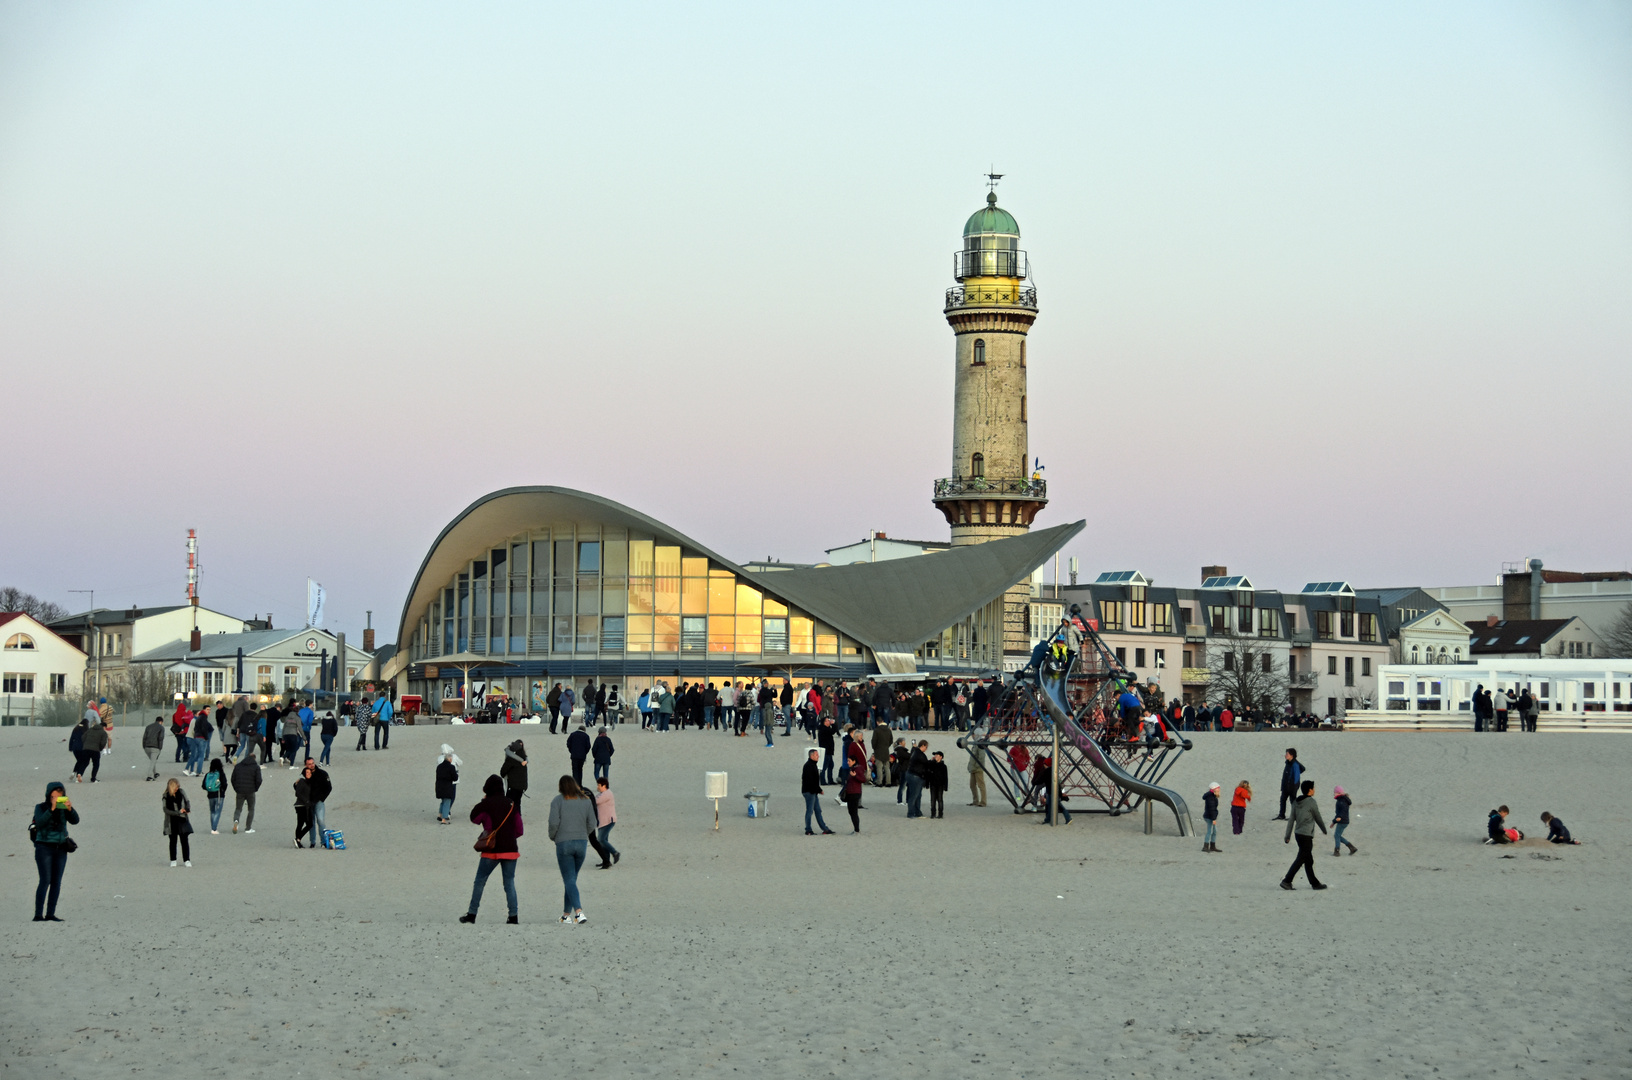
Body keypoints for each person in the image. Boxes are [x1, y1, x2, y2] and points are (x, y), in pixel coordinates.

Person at [460, 775, 522, 924]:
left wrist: (484, 802)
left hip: (491, 849)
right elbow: (519, 830)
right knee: (509, 883)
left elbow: (474, 818)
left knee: (480, 881)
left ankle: (472, 914)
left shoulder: (486, 804)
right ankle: (513, 917)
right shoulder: (512, 804)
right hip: (510, 849)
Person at [547, 774, 598, 924]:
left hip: (563, 843)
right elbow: (592, 822)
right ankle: (565, 916)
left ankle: (579, 912)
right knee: (571, 880)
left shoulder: (557, 801)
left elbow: (553, 823)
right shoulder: (586, 801)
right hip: (581, 843)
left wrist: (553, 837)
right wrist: (584, 834)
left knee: (569, 879)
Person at [32, 781, 77, 922]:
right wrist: (51, 809)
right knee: (45, 880)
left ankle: (50, 914)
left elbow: (75, 820)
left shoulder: (63, 808)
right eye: (55, 794)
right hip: (44, 847)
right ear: (49, 794)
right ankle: (38, 915)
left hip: (61, 848)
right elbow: (39, 823)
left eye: (60, 794)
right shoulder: (40, 807)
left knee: (56, 882)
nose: (58, 797)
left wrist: (70, 809)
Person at [1280, 779, 1327, 890]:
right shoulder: (1311, 802)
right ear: (1310, 790)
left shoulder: (1295, 802)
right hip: (1306, 835)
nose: (1314, 790)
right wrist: (1324, 829)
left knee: (1308, 860)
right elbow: (1317, 817)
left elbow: (1291, 819)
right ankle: (1287, 880)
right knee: (1301, 858)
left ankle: (1314, 883)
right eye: (1313, 788)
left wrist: (1287, 836)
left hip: (1298, 834)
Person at [801, 749, 836, 835]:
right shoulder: (809, 766)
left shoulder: (812, 765)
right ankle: (808, 830)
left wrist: (818, 790)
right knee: (810, 811)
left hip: (812, 791)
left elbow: (814, 781)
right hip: (809, 792)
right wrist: (819, 790)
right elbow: (810, 781)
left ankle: (825, 829)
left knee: (818, 810)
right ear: (811, 756)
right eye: (816, 755)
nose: (818, 756)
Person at [162, 777, 193, 867]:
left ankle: (187, 860)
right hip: (171, 821)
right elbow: (165, 809)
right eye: (176, 786)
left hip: (182, 820)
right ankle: (173, 860)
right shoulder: (166, 796)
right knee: (173, 841)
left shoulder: (182, 792)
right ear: (172, 787)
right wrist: (177, 812)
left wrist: (187, 809)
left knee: (184, 841)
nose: (178, 788)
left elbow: (187, 801)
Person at [841, 727, 867, 833]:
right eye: (860, 736)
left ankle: (856, 829)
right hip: (857, 767)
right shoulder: (853, 744)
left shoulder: (861, 744)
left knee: (853, 810)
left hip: (859, 769)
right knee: (852, 810)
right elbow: (850, 755)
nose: (862, 737)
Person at [593, 777, 621, 867]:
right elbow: (594, 799)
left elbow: (594, 801)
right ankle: (606, 861)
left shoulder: (607, 794)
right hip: (602, 822)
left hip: (608, 820)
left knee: (601, 839)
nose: (597, 787)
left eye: (599, 785)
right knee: (604, 840)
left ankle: (615, 853)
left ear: (603, 785)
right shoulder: (601, 794)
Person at [230, 751, 261, 833]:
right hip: (251, 791)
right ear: (254, 758)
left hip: (240, 791)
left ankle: (236, 820)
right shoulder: (256, 767)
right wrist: (255, 788)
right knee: (251, 809)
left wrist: (236, 788)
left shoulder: (238, 766)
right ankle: (248, 827)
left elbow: (233, 779)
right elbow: (259, 780)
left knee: (238, 808)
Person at [305, 758, 332, 848]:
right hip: (308, 803)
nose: (312, 765)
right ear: (306, 765)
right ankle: (312, 842)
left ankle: (323, 842)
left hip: (319, 802)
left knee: (320, 821)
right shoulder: (304, 774)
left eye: (312, 763)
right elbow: (298, 786)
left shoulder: (322, 774)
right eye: (309, 764)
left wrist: (322, 798)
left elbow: (329, 787)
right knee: (311, 823)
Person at [1274, 749, 1303, 820]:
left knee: (1293, 801)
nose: (1285, 755)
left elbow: (1296, 777)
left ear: (1292, 756)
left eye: (1287, 754)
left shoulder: (1295, 765)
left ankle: (1295, 816)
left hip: (1292, 787)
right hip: (1285, 786)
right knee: (1283, 799)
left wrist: (1293, 787)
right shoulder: (1288, 763)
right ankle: (1281, 815)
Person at [904, 740, 930, 818]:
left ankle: (917, 812)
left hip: (911, 774)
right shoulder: (920, 754)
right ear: (923, 746)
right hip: (916, 776)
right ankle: (911, 813)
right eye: (926, 747)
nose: (926, 749)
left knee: (917, 795)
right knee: (914, 795)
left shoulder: (915, 752)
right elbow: (926, 764)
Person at [436, 744, 461, 823]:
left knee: (443, 800)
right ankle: (445, 817)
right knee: (449, 799)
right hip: (448, 785)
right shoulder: (452, 766)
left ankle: (440, 814)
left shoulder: (439, 764)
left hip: (439, 785)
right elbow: (460, 764)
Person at [201, 758, 228, 834]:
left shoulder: (208, 774)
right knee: (217, 812)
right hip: (219, 795)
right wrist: (222, 790)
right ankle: (214, 828)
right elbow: (224, 784)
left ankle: (213, 826)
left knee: (212, 811)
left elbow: (203, 786)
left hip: (210, 795)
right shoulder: (221, 774)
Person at [1331, 786, 1358, 856]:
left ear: (1338, 793)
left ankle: (1337, 850)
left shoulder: (1341, 801)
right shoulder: (1342, 800)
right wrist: (1334, 822)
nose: (1334, 794)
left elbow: (1342, 812)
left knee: (1337, 835)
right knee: (1338, 835)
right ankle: (1351, 847)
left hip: (1342, 821)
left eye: (1335, 792)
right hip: (1345, 821)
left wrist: (1339, 818)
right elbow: (1339, 813)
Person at [501, 740, 529, 807]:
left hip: (512, 786)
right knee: (517, 804)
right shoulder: (524, 758)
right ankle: (518, 817)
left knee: (509, 806)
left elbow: (503, 772)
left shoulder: (511, 759)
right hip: (522, 787)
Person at [80, 718, 108, 783]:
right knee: (96, 764)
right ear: (104, 727)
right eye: (105, 728)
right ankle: (93, 778)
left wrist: (85, 744)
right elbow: (103, 743)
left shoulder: (90, 729)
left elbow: (83, 737)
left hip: (86, 749)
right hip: (95, 750)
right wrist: (100, 748)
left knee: (84, 763)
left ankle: (79, 774)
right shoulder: (103, 733)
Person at [293, 768, 313, 849]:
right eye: (306, 772)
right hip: (301, 806)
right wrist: (306, 801)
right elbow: (297, 793)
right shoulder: (302, 781)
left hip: (305, 806)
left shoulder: (310, 782)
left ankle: (298, 842)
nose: (308, 773)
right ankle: (298, 839)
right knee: (309, 824)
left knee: (301, 824)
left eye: (309, 772)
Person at [141, 715, 166, 780]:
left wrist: (144, 746)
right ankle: (149, 776)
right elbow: (161, 738)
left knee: (153, 760)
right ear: (161, 722)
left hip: (146, 747)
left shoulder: (148, 727)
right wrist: (160, 748)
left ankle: (155, 773)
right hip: (155, 747)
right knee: (153, 761)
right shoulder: (161, 728)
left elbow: (144, 737)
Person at [928, 751, 949, 819]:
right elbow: (927, 769)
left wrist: (945, 787)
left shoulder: (943, 766)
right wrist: (931, 760)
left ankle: (940, 814)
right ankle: (933, 813)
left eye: (937, 755)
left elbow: (945, 777)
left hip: (940, 785)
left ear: (941, 757)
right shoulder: (932, 764)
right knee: (932, 800)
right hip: (933, 785)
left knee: (940, 799)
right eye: (935, 755)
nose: (935, 756)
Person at [1201, 782, 1221, 852]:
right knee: (1210, 831)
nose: (1219, 790)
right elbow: (1212, 808)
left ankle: (1212, 846)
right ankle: (1205, 847)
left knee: (1214, 831)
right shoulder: (1210, 797)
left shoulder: (1212, 796)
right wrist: (1214, 819)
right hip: (1209, 817)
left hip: (1210, 816)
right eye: (1218, 788)